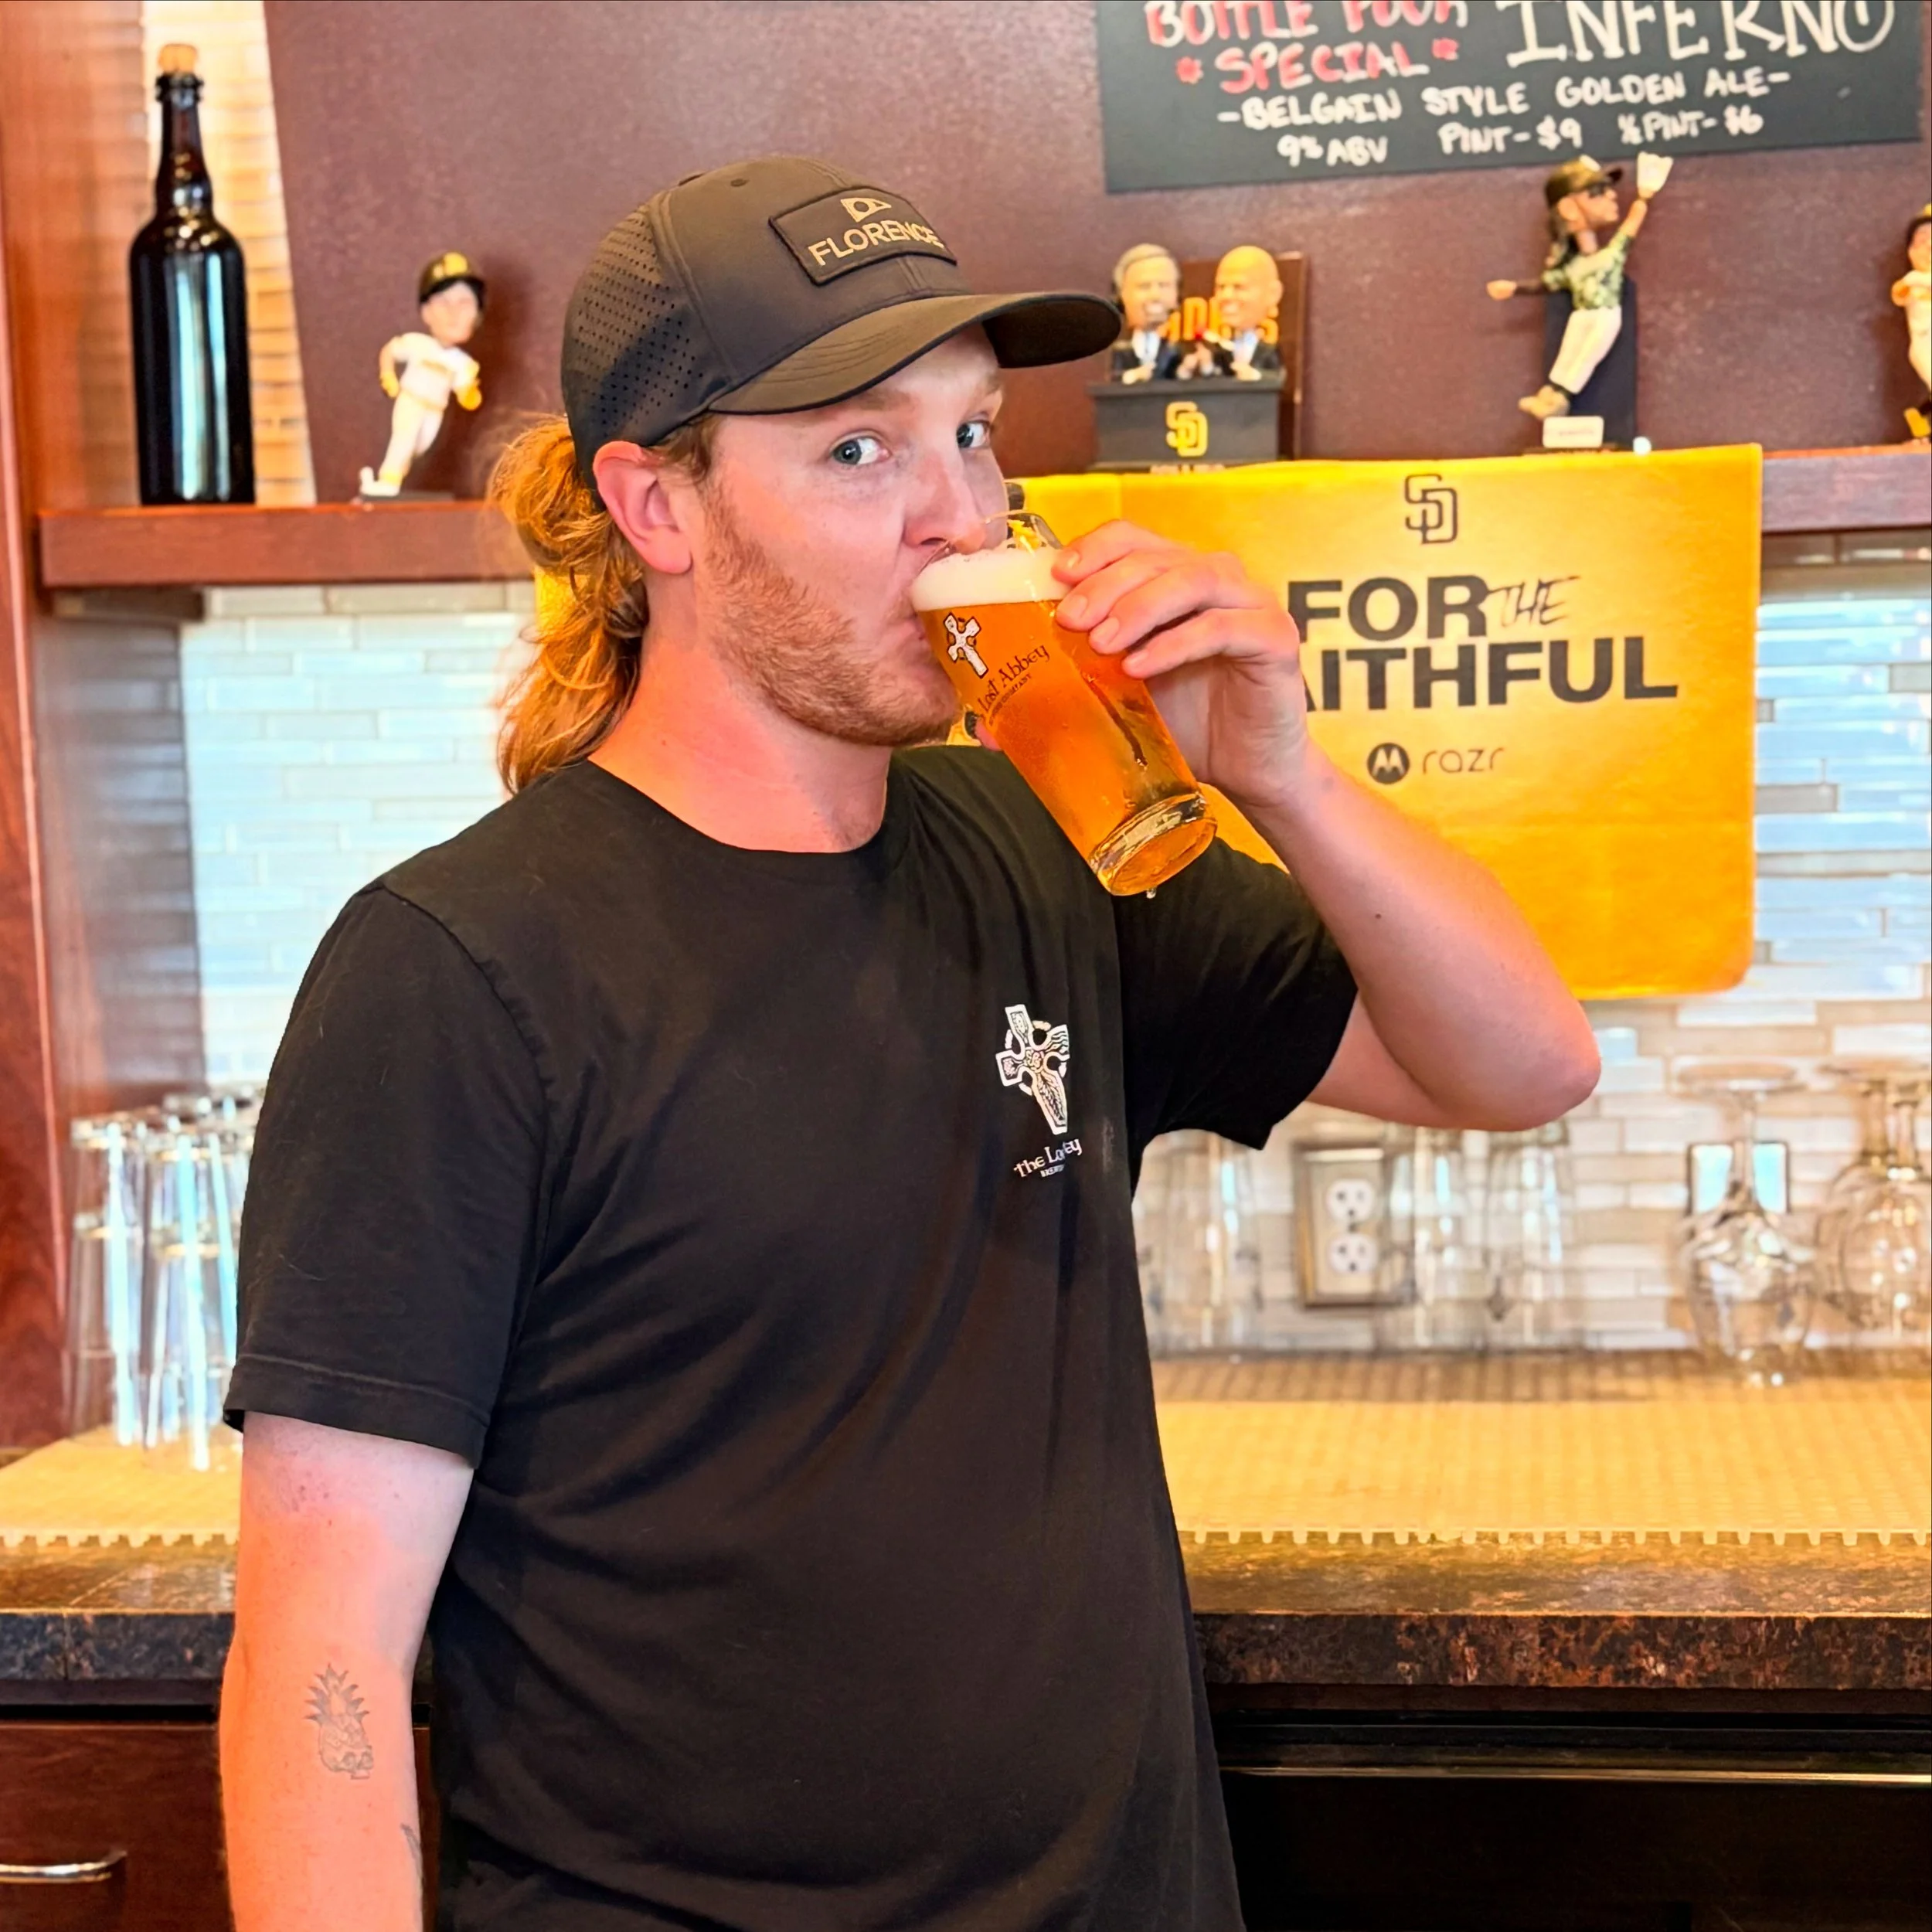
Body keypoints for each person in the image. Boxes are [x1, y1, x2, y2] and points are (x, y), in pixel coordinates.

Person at [219, 155, 1598, 1932]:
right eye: (861, 452)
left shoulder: (1049, 850)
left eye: (974, 438)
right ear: (660, 507)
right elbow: (322, 1661)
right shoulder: (458, 972)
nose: (959, 514)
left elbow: (1523, 1063)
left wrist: (1284, 777)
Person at [1487, 153, 1669, 421]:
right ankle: (1550, 393)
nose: (1611, 196)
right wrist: (1514, 288)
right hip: (1583, 314)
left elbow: (1630, 227)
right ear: (1569, 209)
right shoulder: (1574, 266)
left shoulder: (1609, 257)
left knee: (1585, 354)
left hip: (1604, 314)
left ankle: (1559, 400)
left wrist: (1645, 196)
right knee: (1570, 348)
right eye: (1597, 192)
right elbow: (1549, 283)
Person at [359, 252, 486, 498]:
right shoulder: (418, 345)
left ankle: (391, 479)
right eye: (443, 303)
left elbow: (466, 393)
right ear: (426, 312)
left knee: (419, 445)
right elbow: (391, 352)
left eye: (464, 303)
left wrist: (471, 393)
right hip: (412, 401)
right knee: (403, 440)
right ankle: (387, 482)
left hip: (435, 410)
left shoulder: (462, 362)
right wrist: (388, 376)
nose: (453, 313)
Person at [1176, 243, 1284, 380]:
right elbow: (1218, 378)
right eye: (1221, 288)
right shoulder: (1223, 350)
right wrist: (1204, 366)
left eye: (1239, 287)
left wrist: (1254, 376)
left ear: (1272, 294)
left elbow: (1279, 377)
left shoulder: (1268, 349)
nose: (1226, 296)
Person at [1107, 241, 1184, 383]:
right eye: (1144, 287)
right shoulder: (1110, 350)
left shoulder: (1181, 349)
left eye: (1164, 285)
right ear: (1120, 295)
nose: (1155, 296)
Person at [1891, 204, 1930, 431]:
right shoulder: (1914, 280)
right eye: (1921, 241)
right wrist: (1907, 285)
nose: (1929, 246)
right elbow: (1898, 294)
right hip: (1925, 345)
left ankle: (1920, 415)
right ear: (1911, 252)